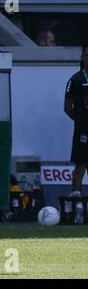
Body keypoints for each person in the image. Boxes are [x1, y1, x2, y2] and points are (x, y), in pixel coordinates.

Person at [64, 45, 88, 199]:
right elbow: (67, 108)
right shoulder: (75, 79)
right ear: (82, 57)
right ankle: (76, 198)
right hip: (82, 129)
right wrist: (80, 120)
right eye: (87, 54)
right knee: (80, 163)